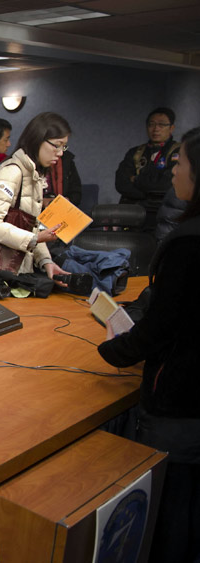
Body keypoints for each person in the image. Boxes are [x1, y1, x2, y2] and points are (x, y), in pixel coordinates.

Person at [99, 127, 200, 562]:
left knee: (170, 517)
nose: (173, 169)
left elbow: (164, 326)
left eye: (180, 163)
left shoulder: (189, 242)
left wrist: (114, 351)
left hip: (178, 402)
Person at [0, 112, 70, 282]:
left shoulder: (33, 174)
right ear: (38, 140)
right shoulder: (12, 171)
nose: (60, 153)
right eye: (57, 145)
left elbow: (30, 227)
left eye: (64, 146)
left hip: (18, 271)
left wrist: (45, 261)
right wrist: (34, 238)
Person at [115, 107, 180, 232]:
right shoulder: (135, 152)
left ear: (171, 128)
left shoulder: (178, 152)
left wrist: (136, 179)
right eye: (152, 124)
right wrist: (148, 195)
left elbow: (166, 184)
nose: (156, 129)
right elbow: (121, 183)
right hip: (133, 212)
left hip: (161, 213)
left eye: (162, 125)